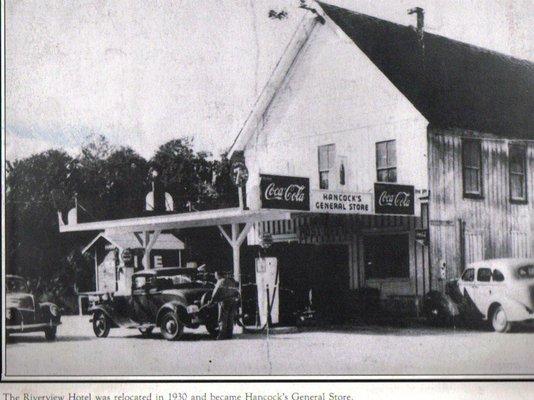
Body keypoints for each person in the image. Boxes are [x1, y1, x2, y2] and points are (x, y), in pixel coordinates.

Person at [208, 269, 239, 340]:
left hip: (224, 302)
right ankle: (229, 334)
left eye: (215, 275)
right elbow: (236, 291)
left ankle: (221, 335)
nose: (215, 276)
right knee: (230, 318)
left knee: (222, 319)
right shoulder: (231, 281)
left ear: (219, 275)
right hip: (233, 301)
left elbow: (215, 293)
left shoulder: (220, 281)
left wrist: (211, 301)